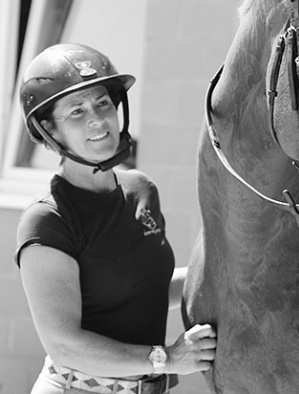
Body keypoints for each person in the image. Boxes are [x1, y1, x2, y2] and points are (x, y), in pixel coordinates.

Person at [14, 43, 216, 394]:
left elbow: (145, 288)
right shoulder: (47, 220)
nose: (97, 119)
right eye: (76, 111)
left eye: (103, 103)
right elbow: (64, 345)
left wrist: (228, 273)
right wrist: (166, 358)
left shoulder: (141, 189)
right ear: (49, 130)